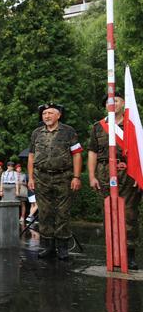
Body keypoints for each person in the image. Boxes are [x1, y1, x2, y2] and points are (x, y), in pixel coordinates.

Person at [87, 92, 141, 270]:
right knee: (108, 213)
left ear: (123, 103)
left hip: (128, 172)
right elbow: (93, 152)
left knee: (129, 214)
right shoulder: (98, 127)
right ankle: (112, 253)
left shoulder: (132, 124)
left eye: (116, 100)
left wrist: (140, 174)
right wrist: (92, 175)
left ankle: (130, 254)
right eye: (109, 102)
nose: (113, 104)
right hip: (104, 172)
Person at [28, 103, 83, 260]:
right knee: (44, 212)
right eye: (44, 113)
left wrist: (76, 177)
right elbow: (31, 157)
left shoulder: (68, 131)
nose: (47, 116)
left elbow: (77, 154)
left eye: (50, 113)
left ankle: (63, 247)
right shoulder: (36, 133)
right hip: (41, 177)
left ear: (58, 115)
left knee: (62, 212)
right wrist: (31, 177)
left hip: (63, 177)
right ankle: (48, 247)